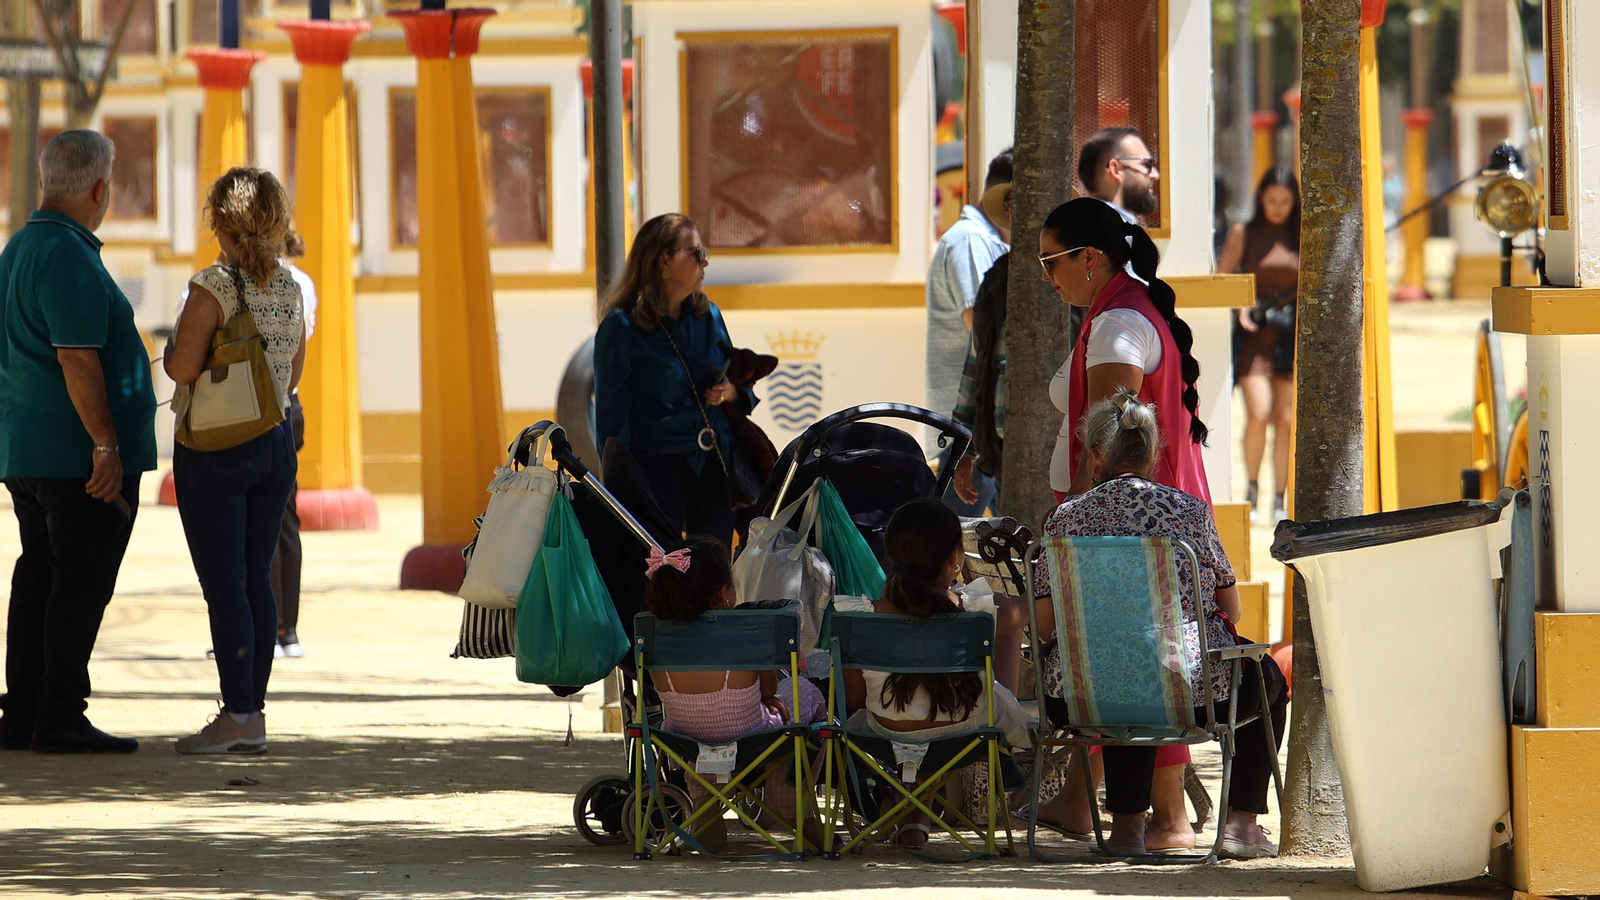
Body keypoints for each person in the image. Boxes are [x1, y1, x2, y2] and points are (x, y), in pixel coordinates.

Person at [1032, 393, 1286, 859]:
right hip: (1190, 695)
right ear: (1152, 455)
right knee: (1264, 676)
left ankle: (1128, 830)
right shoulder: (1188, 512)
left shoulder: (1064, 521)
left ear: (1095, 455)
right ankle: (1241, 827)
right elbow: (1232, 606)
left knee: (1122, 673)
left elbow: (1046, 622)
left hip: (1079, 695)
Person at [1039, 195, 1211, 848]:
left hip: (1128, 530)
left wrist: (1077, 523)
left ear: (1090, 258)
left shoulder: (1116, 327)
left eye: (1051, 262)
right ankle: (1083, 805)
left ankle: (1167, 819)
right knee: (1117, 656)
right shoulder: (1114, 315)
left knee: (1137, 658)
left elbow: (1106, 443)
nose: (1047, 278)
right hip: (1136, 524)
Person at [0, 130, 158, 754]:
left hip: (29, 449)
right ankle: (59, 712)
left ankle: (26, 711)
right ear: (100, 188)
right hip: (76, 460)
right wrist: (105, 445)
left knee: (39, 573)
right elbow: (76, 358)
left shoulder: (19, 247)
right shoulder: (66, 254)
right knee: (77, 580)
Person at [166, 167, 305, 755]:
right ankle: (254, 714)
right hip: (275, 445)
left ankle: (238, 714)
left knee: (223, 585)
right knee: (255, 579)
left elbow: (180, 369)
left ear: (220, 221)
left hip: (215, 451)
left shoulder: (212, 286)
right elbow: (294, 372)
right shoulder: (292, 287)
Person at [842, 500, 1032, 849]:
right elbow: (1032, 610)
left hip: (887, 726)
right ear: (956, 558)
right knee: (1005, 628)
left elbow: (853, 701)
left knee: (923, 707)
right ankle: (917, 813)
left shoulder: (860, 619)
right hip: (967, 726)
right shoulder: (977, 610)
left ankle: (915, 811)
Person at [643, 537, 827, 852]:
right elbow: (769, 691)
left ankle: (706, 804)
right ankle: (794, 801)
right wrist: (770, 696)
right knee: (807, 697)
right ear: (721, 593)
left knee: (703, 729)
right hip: (751, 734)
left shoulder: (656, 632)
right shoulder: (745, 630)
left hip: (685, 735)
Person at [594, 213, 752, 546]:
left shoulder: (708, 316)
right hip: (655, 474)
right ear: (664, 260)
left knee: (713, 575)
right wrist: (621, 492)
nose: (704, 262)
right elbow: (611, 425)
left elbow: (739, 383)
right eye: (694, 253)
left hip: (714, 468)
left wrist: (731, 393)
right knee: (658, 576)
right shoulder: (621, 329)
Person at [926, 149, 1012, 516]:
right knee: (951, 548)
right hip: (973, 429)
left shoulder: (984, 239)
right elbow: (984, 332)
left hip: (981, 428)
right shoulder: (969, 240)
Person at [1218, 167, 1300, 522]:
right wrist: (1240, 309)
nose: (1278, 208)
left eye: (1285, 201)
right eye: (1272, 201)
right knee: (1258, 413)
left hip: (1289, 340)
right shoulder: (1244, 233)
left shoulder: (1302, 235)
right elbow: (1222, 278)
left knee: (1284, 421)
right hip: (1254, 340)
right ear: (1260, 199)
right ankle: (1252, 488)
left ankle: (1279, 499)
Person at [950, 181, 1013, 510]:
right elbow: (975, 369)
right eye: (1015, 204)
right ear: (1008, 212)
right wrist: (963, 453)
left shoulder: (1076, 276)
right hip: (1004, 455)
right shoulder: (997, 279)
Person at [271, 234, 318, 658]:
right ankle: (286, 630)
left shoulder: (228, 281)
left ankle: (272, 627)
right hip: (289, 402)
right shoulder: (301, 282)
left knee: (254, 519)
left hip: (262, 406)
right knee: (284, 515)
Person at [1077, 126, 1161, 223]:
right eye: (1146, 165)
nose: (1155, 175)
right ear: (1115, 170)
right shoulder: (1108, 233)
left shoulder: (1082, 227)